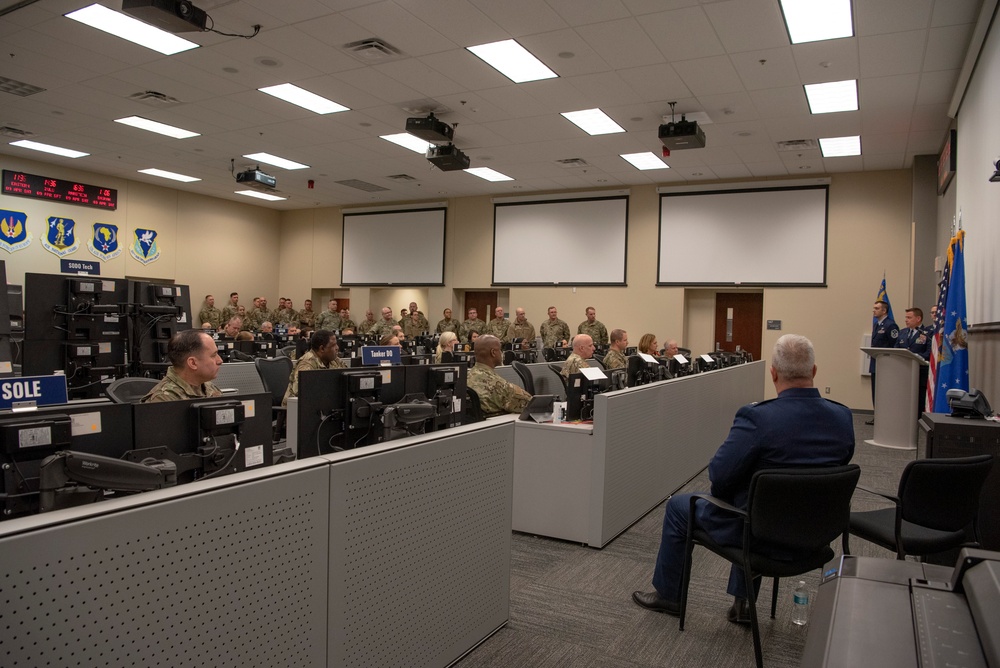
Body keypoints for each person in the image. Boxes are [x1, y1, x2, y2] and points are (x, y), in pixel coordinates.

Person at [631, 334, 854, 621]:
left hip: (760, 534)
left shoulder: (758, 418)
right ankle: (742, 604)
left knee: (679, 507)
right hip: (818, 533)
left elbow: (719, 477)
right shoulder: (842, 417)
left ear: (772, 373)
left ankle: (669, 597)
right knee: (755, 498)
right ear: (814, 371)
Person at [141, 329, 223, 403]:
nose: (220, 361)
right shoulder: (164, 399)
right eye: (213, 355)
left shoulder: (209, 388)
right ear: (193, 363)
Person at [467, 334, 533, 417]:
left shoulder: (466, 377)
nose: (501, 353)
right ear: (493, 352)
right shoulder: (498, 385)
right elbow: (532, 404)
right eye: (500, 350)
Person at [281, 330, 345, 407]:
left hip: (322, 407)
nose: (337, 348)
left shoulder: (334, 360)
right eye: (333, 345)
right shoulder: (306, 363)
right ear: (322, 349)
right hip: (297, 410)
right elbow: (301, 393)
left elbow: (348, 378)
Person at [895, 307, 932, 413]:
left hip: (920, 372)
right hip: (904, 372)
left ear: (918, 318)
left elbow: (929, 353)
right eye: (906, 317)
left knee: (918, 400)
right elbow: (896, 349)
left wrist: (914, 356)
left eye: (909, 317)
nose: (906, 320)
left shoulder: (927, 333)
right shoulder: (902, 332)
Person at [868, 300, 899, 424]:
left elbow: (895, 345)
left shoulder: (890, 325)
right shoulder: (877, 325)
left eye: (876, 308)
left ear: (884, 310)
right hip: (876, 363)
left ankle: (884, 417)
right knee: (876, 391)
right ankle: (878, 416)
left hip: (886, 365)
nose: (873, 310)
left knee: (884, 392)